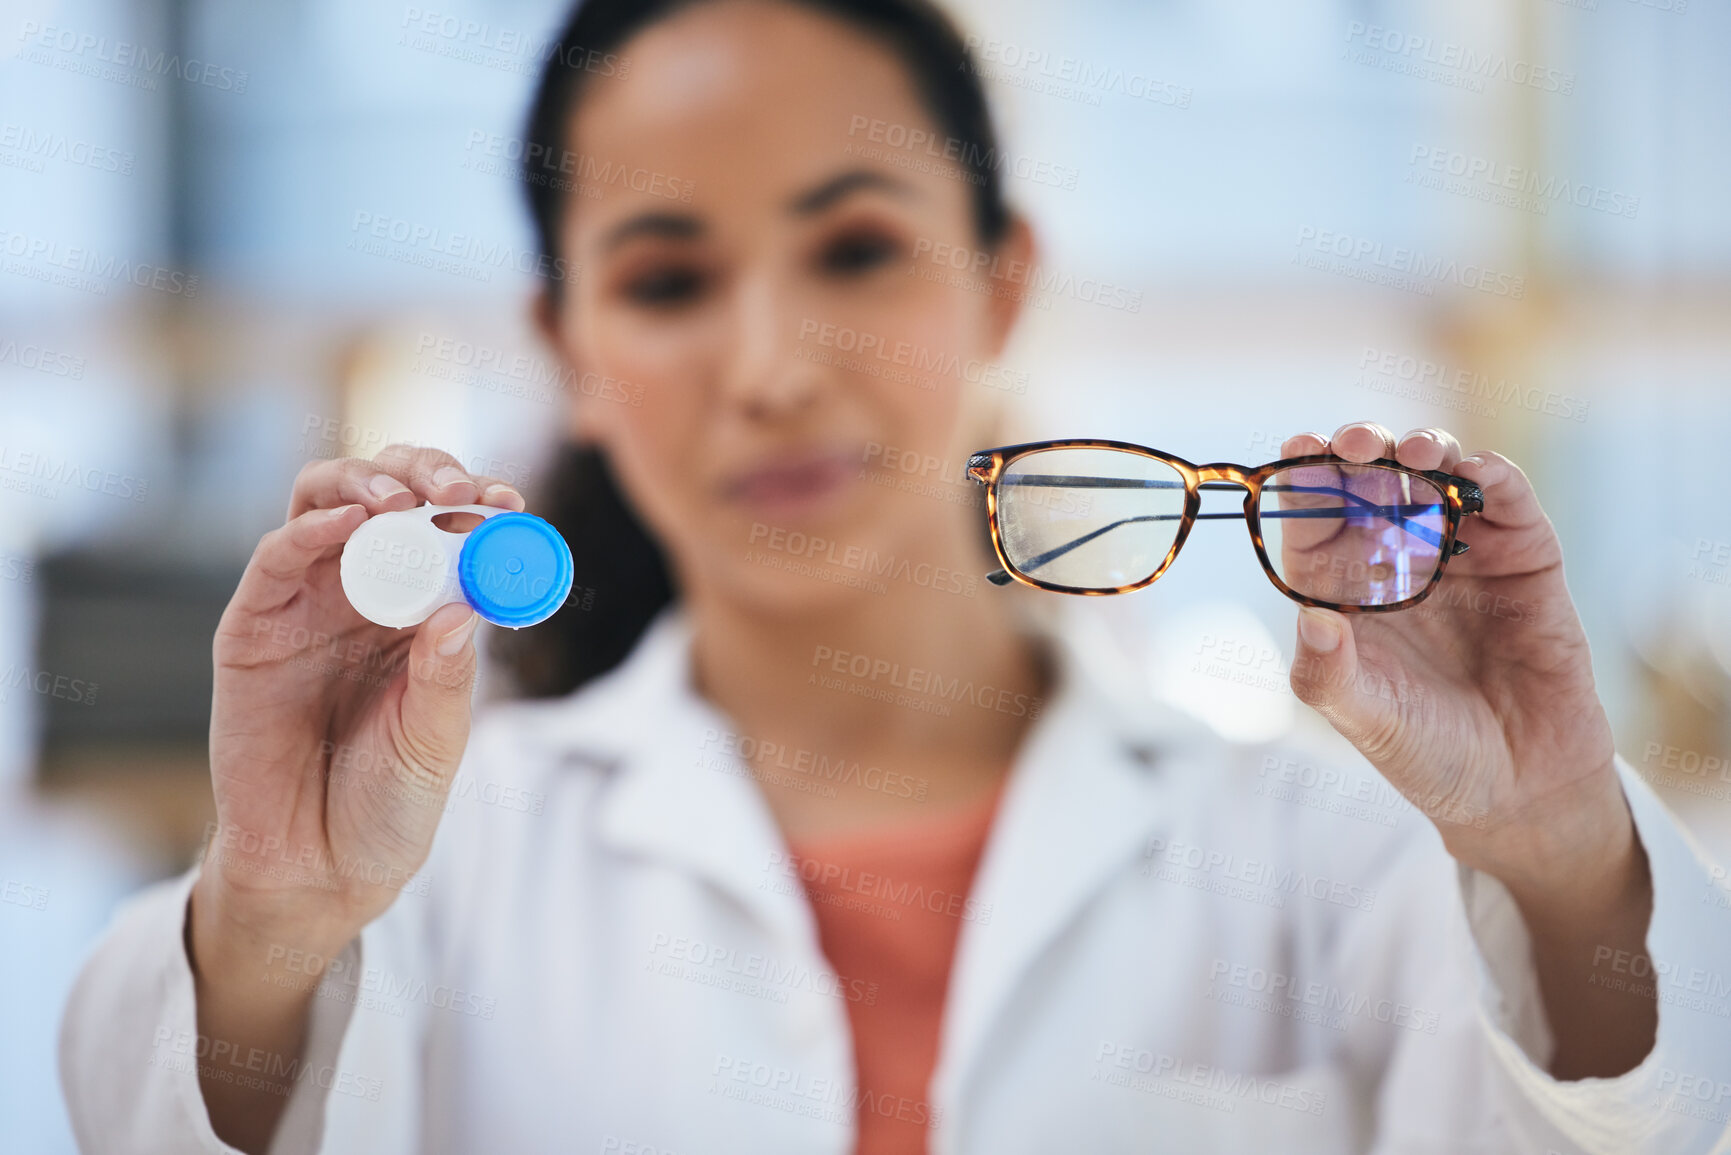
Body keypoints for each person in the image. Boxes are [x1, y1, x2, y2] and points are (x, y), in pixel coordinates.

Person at [58, 1, 1731, 1152]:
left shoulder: (1321, 854)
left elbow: (1646, 1118)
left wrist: (1556, 844)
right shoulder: (429, 882)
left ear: (1001, 286)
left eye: (855, 248)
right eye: (666, 279)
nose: (772, 366)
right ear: (567, 349)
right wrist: (273, 913)